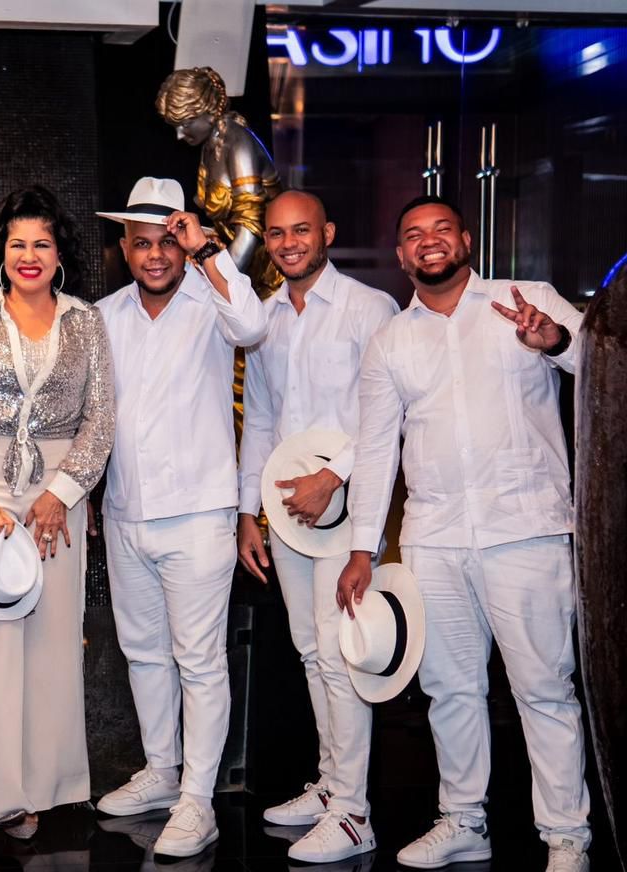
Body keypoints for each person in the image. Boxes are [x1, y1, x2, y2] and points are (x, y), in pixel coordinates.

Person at [338, 195, 592, 872]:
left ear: (466, 240)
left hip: (526, 530)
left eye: (441, 229)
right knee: (450, 691)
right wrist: (362, 548)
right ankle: (463, 821)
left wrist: (556, 342)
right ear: (401, 255)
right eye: (414, 234)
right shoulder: (391, 341)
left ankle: (566, 837)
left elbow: (603, 361)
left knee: (544, 689)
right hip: (434, 539)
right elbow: (374, 450)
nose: (429, 241)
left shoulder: (526, 300)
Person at [0, 184, 114, 840]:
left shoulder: (85, 322)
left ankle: (48, 786)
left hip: (57, 501)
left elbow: (101, 418)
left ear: (59, 253)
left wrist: (61, 494)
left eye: (41, 243)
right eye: (17, 244)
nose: (29, 255)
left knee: (54, 641)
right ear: (1, 251)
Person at [91, 177, 265, 858]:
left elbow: (254, 327)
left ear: (185, 242)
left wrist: (210, 254)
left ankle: (198, 800)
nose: (156, 255)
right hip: (126, 510)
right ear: (125, 247)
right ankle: (162, 772)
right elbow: (94, 415)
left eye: (168, 241)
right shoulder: (104, 315)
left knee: (199, 660)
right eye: (143, 243)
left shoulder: (213, 300)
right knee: (142, 653)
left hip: (198, 513)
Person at [236, 190, 398, 863]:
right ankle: (333, 787)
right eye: (276, 233)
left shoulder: (369, 309)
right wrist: (248, 511)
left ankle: (355, 814)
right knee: (310, 650)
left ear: (326, 232)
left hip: (349, 507)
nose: (288, 243)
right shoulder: (266, 318)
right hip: (288, 516)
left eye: (301, 230)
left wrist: (331, 477)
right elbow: (261, 419)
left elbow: (385, 417)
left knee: (341, 653)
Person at [156, 66, 283, 298]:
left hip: (267, 275)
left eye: (186, 123)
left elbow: (250, 228)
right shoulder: (211, 144)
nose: (180, 134)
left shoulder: (238, 143)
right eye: (175, 125)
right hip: (242, 268)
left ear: (210, 111)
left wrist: (219, 284)